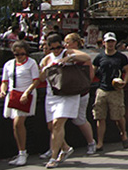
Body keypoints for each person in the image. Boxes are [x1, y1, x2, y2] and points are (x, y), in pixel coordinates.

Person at [39, 33, 92, 169]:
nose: (56, 50)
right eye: (53, 48)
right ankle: (66, 148)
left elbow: (86, 57)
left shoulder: (67, 52)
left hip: (68, 93)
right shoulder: (46, 59)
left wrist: (69, 58)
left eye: (58, 47)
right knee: (51, 126)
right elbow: (41, 78)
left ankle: (54, 157)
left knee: (57, 124)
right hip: (52, 94)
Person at [0, 40, 41, 166]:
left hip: (25, 95)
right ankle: (21, 151)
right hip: (13, 95)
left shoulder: (31, 63)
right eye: (17, 54)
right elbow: (5, 81)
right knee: (15, 125)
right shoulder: (9, 64)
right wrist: (3, 91)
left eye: (22, 54)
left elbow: (36, 81)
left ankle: (23, 152)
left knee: (19, 122)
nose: (19, 57)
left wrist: (26, 93)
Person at [92, 32, 128, 152]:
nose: (110, 44)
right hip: (102, 89)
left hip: (116, 90)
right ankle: (100, 142)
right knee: (100, 117)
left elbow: (127, 70)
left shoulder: (121, 57)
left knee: (118, 116)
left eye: (112, 42)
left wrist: (124, 82)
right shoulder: (99, 57)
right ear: (104, 43)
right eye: (108, 42)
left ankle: (123, 133)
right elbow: (93, 71)